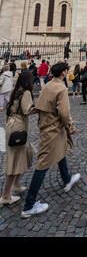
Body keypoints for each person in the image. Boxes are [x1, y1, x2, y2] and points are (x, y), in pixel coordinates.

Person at [21, 62, 80, 218]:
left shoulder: (47, 85)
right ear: (63, 73)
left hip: (46, 125)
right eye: (66, 71)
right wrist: (70, 126)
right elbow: (64, 113)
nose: (67, 73)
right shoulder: (61, 88)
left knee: (61, 150)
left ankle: (67, 178)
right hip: (53, 129)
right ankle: (29, 205)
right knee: (43, 164)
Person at [0, 71, 36, 206]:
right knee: (14, 160)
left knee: (25, 153)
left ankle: (15, 184)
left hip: (12, 125)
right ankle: (5, 195)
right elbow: (27, 110)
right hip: (18, 127)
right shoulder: (25, 93)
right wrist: (41, 108)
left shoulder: (15, 91)